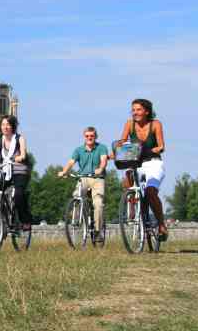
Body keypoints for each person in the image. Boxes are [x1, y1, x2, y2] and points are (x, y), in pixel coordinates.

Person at [116, 98, 167, 240]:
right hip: (137, 161)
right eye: (133, 110)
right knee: (127, 181)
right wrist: (118, 148)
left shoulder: (155, 124)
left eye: (138, 110)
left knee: (151, 192)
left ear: (146, 111)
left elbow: (161, 146)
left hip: (153, 162)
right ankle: (132, 207)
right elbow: (123, 141)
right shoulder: (129, 124)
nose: (135, 113)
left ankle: (162, 224)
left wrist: (150, 150)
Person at [58, 127, 108, 238]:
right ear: (84, 137)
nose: (89, 138)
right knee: (77, 196)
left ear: (95, 137)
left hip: (97, 179)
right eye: (87, 136)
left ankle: (98, 230)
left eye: (92, 136)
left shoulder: (102, 148)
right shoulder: (78, 150)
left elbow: (104, 160)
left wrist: (100, 169)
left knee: (98, 203)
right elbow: (71, 162)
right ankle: (76, 221)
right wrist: (64, 171)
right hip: (83, 178)